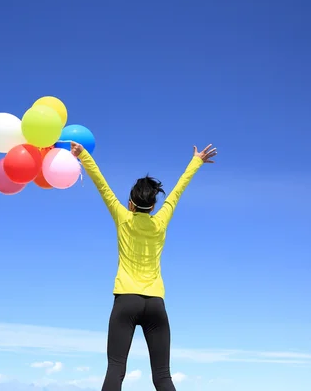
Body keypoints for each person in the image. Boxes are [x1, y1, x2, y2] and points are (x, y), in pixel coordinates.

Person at [70, 142, 217, 391]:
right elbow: (177, 191)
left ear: (130, 203)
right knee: (162, 376)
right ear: (153, 206)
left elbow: (102, 185)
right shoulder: (160, 221)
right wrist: (196, 162)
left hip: (126, 300)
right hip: (156, 304)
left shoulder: (123, 218)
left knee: (116, 368)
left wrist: (83, 155)